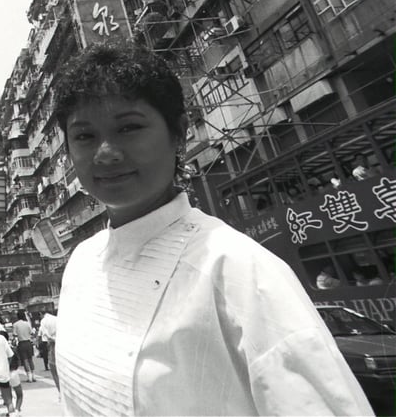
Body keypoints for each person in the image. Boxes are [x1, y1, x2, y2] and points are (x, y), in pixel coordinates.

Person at [51, 41, 373, 415]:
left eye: (129, 127)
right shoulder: (81, 263)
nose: (106, 153)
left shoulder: (238, 270)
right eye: (85, 136)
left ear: (180, 134)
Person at [0, 332, 24, 417]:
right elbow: (18, 361)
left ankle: (11, 411)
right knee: (19, 394)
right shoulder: (11, 348)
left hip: (2, 374)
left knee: (7, 396)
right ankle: (17, 410)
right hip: (13, 373)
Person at [9, 311, 34, 382]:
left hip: (21, 343)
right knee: (30, 359)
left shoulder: (15, 324)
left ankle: (29, 377)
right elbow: (31, 333)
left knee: (25, 360)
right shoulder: (27, 323)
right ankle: (33, 375)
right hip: (29, 343)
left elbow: (14, 334)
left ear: (17, 316)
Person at [37, 309, 58, 387]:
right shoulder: (56, 319)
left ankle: (60, 391)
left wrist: (51, 338)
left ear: (41, 313)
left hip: (50, 343)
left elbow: (45, 333)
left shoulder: (43, 321)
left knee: (53, 367)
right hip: (59, 343)